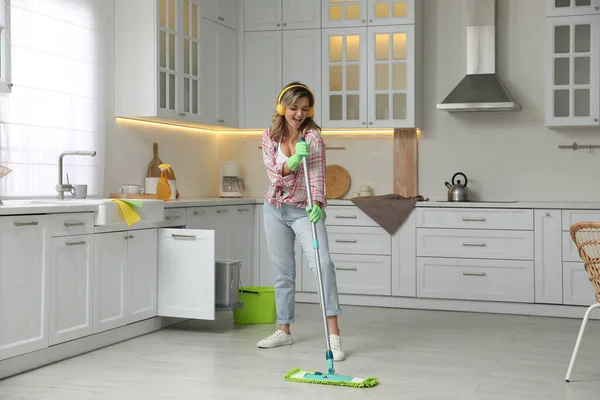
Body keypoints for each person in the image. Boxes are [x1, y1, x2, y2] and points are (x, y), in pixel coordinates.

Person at [257, 82, 345, 361]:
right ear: (282, 108)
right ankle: (284, 330)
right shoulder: (269, 137)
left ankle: (334, 338)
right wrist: (294, 160)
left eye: (305, 109)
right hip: (274, 209)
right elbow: (273, 174)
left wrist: (318, 204)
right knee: (283, 272)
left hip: (304, 210)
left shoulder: (313, 138)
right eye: (293, 108)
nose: (299, 114)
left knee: (323, 264)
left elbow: (318, 177)